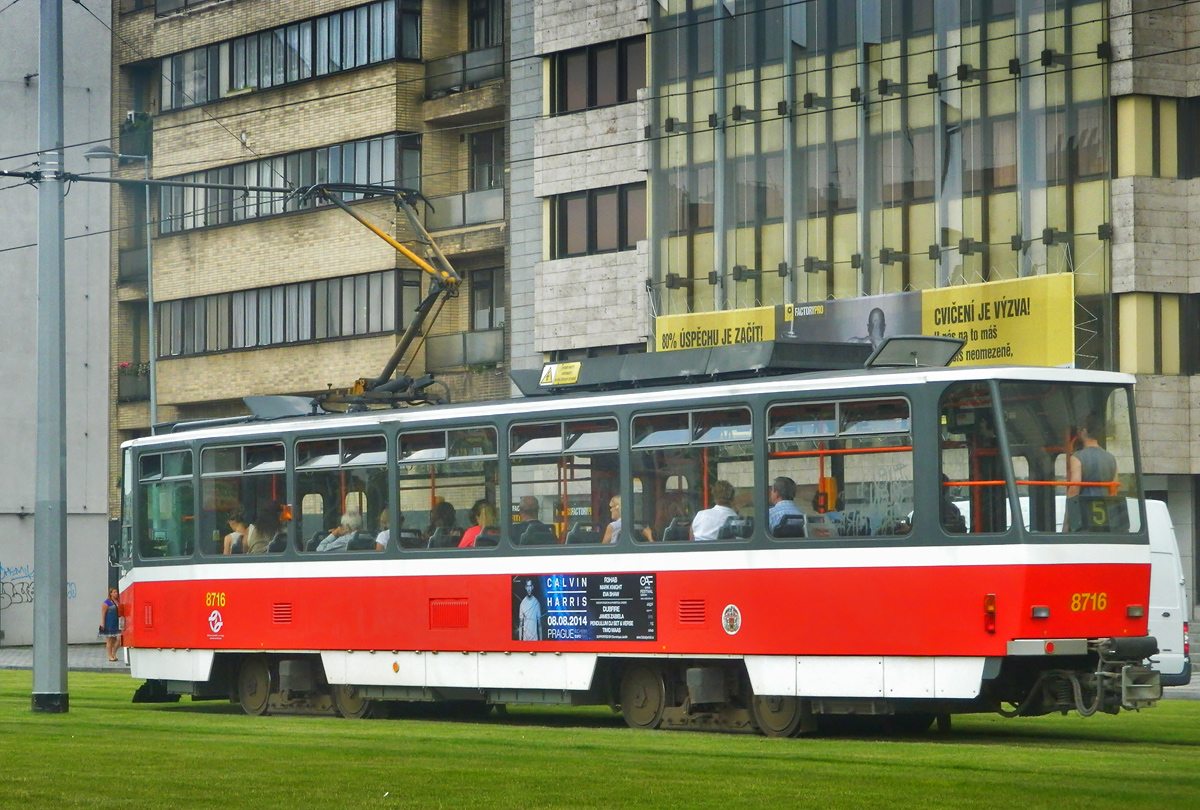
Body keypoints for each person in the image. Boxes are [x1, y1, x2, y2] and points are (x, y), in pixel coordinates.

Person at [1066, 413, 1118, 531]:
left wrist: (1067, 521)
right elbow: (1113, 491)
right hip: (1105, 519)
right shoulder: (1111, 458)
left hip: (1085, 517)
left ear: (1083, 432)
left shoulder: (1077, 457)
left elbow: (1074, 489)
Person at [99, 588, 121, 662]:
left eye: (116, 592)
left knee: (119, 639)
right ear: (110, 593)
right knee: (110, 640)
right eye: (114, 592)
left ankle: (114, 653)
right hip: (109, 623)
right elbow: (103, 613)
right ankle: (110, 656)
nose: (116, 593)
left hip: (117, 622)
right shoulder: (106, 603)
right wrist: (103, 623)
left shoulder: (118, 601)